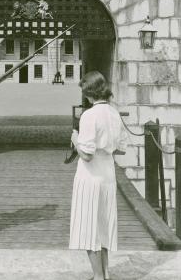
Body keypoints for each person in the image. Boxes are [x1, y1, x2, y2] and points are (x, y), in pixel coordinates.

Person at [69, 71, 128, 280]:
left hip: (91, 176)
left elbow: (85, 154)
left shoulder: (89, 115)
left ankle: (98, 276)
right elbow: (122, 147)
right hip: (108, 174)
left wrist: (75, 139)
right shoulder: (114, 113)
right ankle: (105, 274)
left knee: (89, 229)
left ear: (88, 92)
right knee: (103, 226)